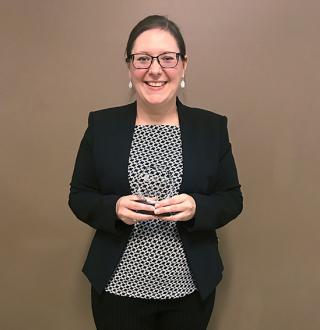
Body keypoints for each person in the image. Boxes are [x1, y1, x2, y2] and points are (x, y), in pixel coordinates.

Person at [68, 15, 243, 330]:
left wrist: (198, 207)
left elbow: (232, 198)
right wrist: (113, 208)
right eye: (143, 58)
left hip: (190, 292)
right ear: (129, 66)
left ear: (183, 65)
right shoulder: (102, 125)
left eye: (167, 58)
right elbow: (79, 196)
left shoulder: (211, 128)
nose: (155, 69)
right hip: (117, 292)